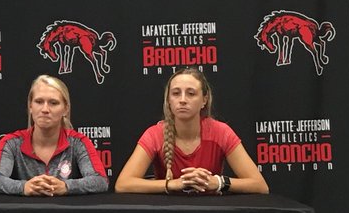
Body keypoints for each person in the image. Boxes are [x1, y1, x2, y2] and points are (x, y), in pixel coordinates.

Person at [114, 68, 268, 195]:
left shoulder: (221, 132)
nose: (182, 100)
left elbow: (260, 186)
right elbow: (123, 184)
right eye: (176, 93)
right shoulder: (155, 134)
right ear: (168, 100)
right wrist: (173, 184)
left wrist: (218, 182)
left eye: (191, 93)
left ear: (204, 100)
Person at [0, 74, 109, 196]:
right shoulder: (11, 143)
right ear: (30, 106)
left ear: (65, 109)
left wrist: (66, 187)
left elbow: (100, 181)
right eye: (39, 102)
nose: (45, 109)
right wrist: (23, 187)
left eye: (53, 103)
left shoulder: (78, 142)